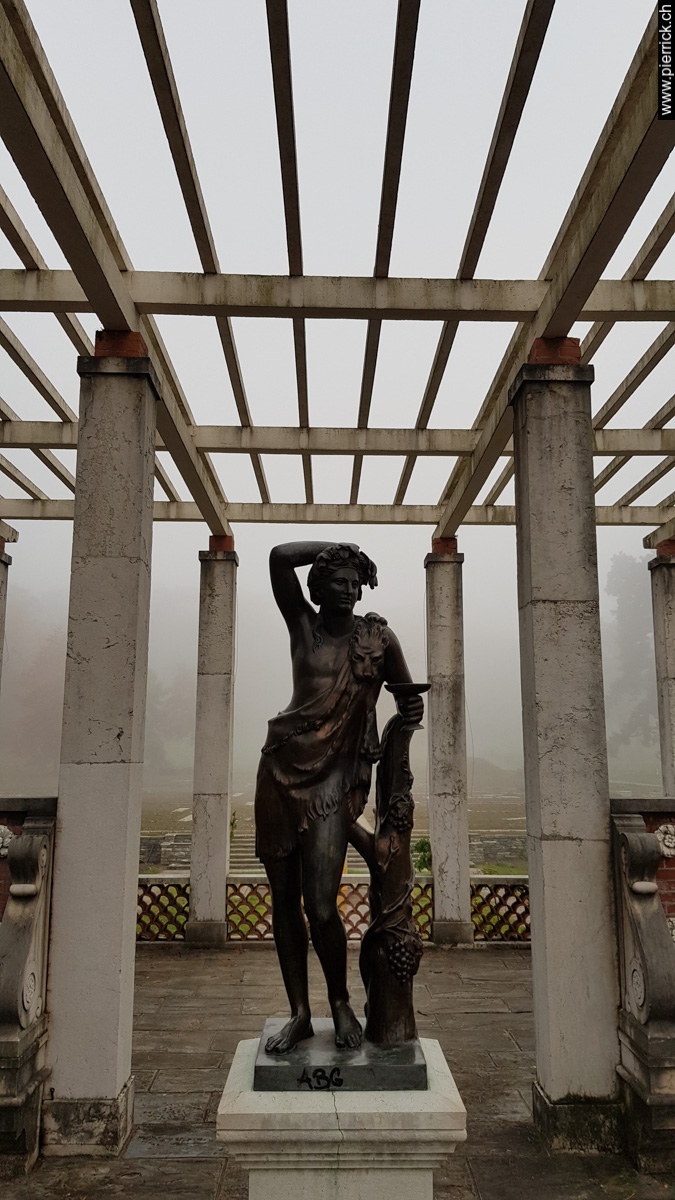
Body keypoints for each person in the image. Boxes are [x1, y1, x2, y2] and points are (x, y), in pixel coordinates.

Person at [255, 541, 423, 1053]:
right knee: (284, 901)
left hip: (333, 783)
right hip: (280, 768)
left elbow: (407, 697)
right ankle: (300, 1014)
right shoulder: (303, 627)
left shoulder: (377, 639)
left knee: (322, 906)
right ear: (318, 587)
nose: (349, 590)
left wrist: (407, 719)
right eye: (339, 581)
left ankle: (341, 1001)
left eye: (355, 582)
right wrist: (335, 548)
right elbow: (278, 558)